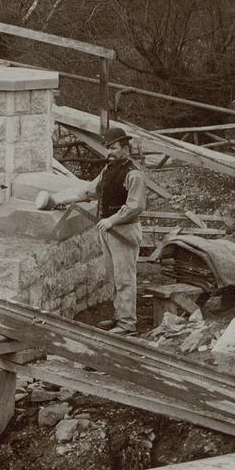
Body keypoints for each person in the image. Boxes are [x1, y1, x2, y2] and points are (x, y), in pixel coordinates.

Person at [95, 131, 150, 333]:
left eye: (113, 148)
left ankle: (128, 324)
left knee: (125, 277)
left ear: (125, 149)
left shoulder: (134, 174)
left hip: (124, 230)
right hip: (108, 229)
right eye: (108, 148)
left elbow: (135, 206)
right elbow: (91, 190)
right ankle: (119, 316)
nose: (109, 152)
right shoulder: (108, 169)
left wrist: (112, 220)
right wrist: (59, 200)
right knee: (114, 276)